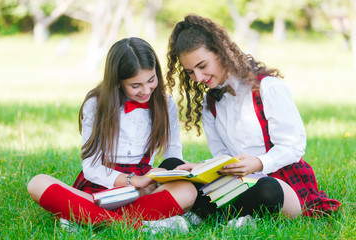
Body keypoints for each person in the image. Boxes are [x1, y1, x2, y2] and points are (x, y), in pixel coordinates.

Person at [162, 14, 341, 223]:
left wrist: (258, 163)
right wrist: (200, 168)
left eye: (202, 66)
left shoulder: (267, 88)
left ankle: (204, 213)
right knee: (172, 166)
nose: (199, 78)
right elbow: (222, 157)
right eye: (190, 72)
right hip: (236, 183)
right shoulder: (210, 103)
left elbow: (294, 146)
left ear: (221, 52)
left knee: (267, 190)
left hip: (279, 181)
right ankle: (223, 213)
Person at [27, 37, 197, 232]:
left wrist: (176, 174)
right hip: (101, 184)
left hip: (143, 188)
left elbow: (173, 154)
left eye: (151, 80)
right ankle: (144, 226)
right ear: (117, 82)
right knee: (37, 183)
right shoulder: (96, 104)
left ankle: (85, 218)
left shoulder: (166, 104)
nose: (146, 90)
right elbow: (91, 166)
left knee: (187, 191)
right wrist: (132, 180)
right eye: (135, 85)